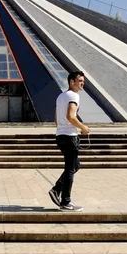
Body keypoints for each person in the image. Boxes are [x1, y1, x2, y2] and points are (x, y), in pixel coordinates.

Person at [48, 70, 90, 211]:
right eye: (80, 81)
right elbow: (71, 116)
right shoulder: (74, 96)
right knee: (71, 169)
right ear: (72, 82)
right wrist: (83, 128)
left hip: (60, 136)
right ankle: (66, 202)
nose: (82, 84)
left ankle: (57, 189)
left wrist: (64, 128)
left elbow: (56, 119)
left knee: (75, 165)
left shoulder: (60, 96)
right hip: (70, 136)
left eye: (83, 81)